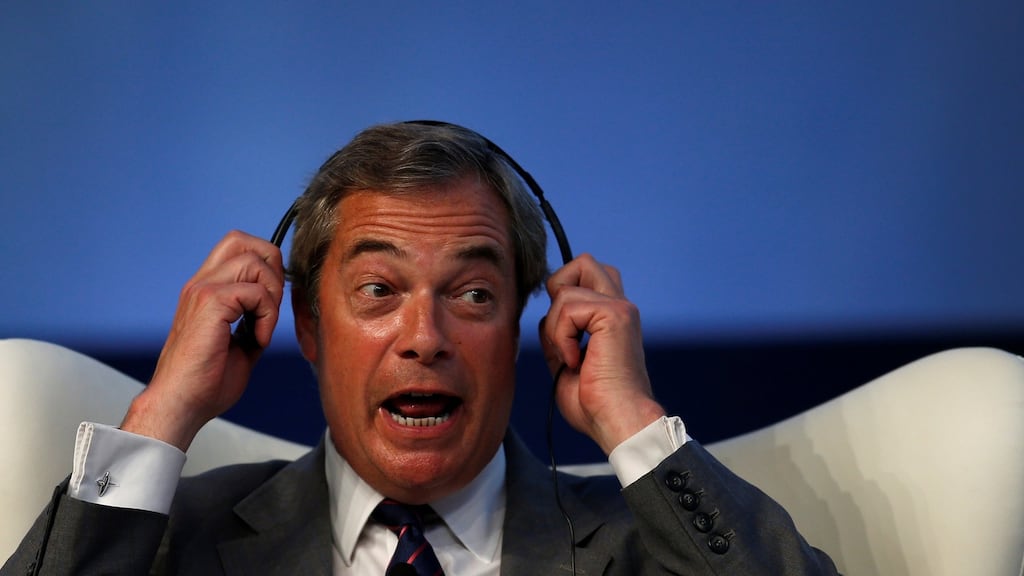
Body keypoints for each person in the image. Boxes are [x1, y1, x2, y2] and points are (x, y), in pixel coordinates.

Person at [3, 122, 839, 575]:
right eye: (378, 290)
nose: (426, 339)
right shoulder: (166, 542)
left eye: (473, 295)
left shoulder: (649, 544)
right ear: (308, 326)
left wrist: (632, 418)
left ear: (529, 328)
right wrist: (162, 412)